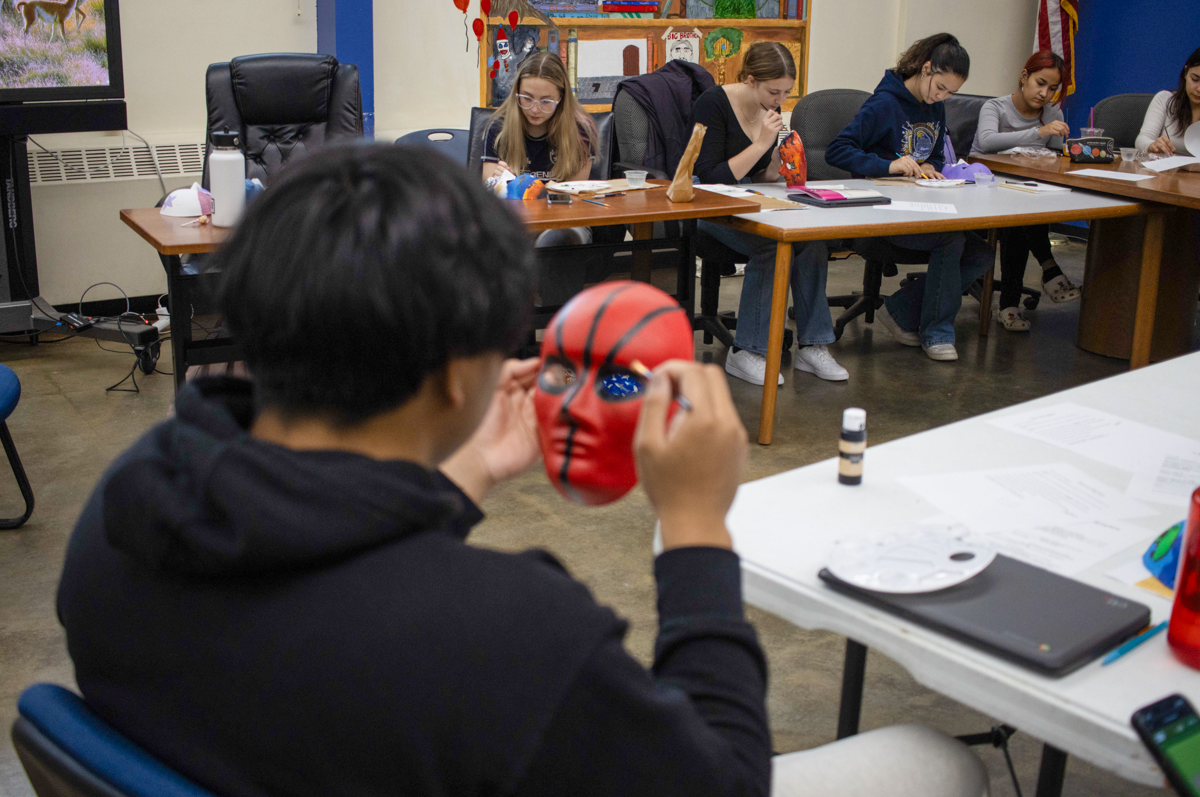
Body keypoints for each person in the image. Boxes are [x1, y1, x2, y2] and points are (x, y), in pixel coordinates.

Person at [56, 145, 988, 797]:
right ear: (465, 368)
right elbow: (722, 782)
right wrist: (698, 529)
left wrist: (451, 482)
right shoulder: (511, 638)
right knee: (936, 766)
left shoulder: (127, 505)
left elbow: (322, 588)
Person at [826, 33, 995, 362]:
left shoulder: (936, 107)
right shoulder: (884, 104)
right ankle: (937, 331)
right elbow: (838, 150)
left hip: (919, 206)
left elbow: (935, 156)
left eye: (950, 92)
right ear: (927, 69)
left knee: (981, 253)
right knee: (950, 240)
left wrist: (930, 167)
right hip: (879, 214)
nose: (942, 97)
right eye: (940, 87)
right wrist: (887, 165)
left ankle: (900, 310)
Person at [693, 41, 845, 386]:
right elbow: (712, 177)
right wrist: (762, 143)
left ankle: (814, 345)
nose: (780, 100)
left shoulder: (769, 112)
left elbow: (755, 178)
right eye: (773, 91)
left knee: (811, 242)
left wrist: (775, 166)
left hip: (750, 200)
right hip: (707, 204)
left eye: (786, 92)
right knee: (772, 245)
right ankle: (747, 351)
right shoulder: (713, 104)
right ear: (750, 80)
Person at [970, 50, 1080, 330]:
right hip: (985, 189)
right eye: (1040, 83)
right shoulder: (996, 107)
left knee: (1024, 214)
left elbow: (1056, 155)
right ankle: (1046, 270)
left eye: (1053, 89)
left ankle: (1009, 304)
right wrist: (1038, 133)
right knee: (1018, 220)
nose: (1045, 94)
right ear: (1024, 77)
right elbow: (987, 142)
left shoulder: (1052, 112)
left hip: (1027, 190)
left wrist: (1058, 150)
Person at [482, 51, 598, 304]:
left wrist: (526, 185)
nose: (535, 109)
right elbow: (488, 189)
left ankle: (560, 328)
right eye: (527, 99)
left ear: (562, 99)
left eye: (546, 101)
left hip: (565, 222)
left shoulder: (581, 130)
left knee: (559, 239)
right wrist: (501, 182)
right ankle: (518, 333)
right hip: (516, 221)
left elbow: (576, 198)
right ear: (516, 95)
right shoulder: (499, 128)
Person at [1136, 46, 1200, 155]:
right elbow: (1142, 139)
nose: (1199, 89)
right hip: (1166, 170)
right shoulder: (1165, 100)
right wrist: (1152, 145)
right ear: (1185, 73)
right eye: (1195, 79)